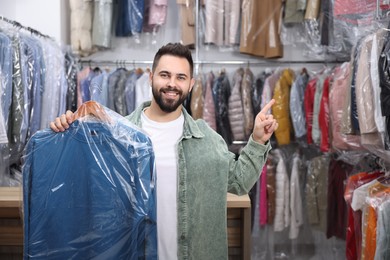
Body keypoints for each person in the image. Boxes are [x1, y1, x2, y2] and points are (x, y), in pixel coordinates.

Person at [50, 42, 278, 260]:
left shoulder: (206, 138)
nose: (172, 84)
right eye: (165, 75)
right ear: (151, 77)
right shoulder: (119, 135)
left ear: (190, 84)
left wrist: (257, 140)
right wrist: (65, 133)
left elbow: (239, 182)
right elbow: (83, 185)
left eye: (181, 77)